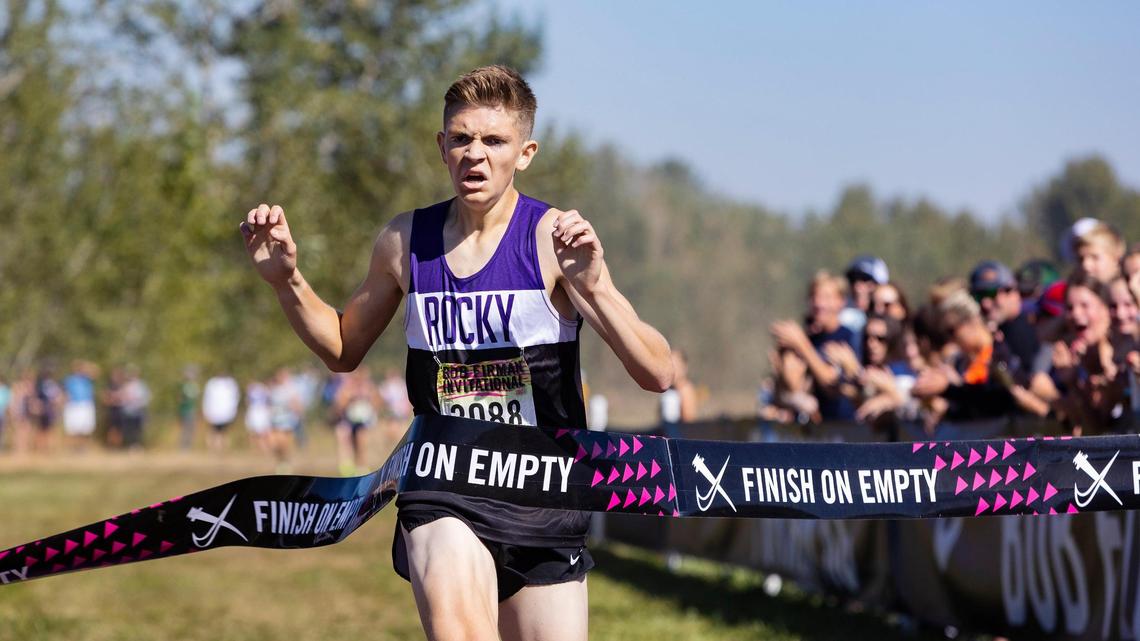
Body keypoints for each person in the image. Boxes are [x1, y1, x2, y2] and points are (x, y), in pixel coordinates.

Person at [240, 65, 672, 641]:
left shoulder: (553, 240)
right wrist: (286, 281)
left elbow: (658, 371)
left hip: (543, 493)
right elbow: (343, 348)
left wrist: (592, 287)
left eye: (494, 141)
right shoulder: (404, 241)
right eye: (462, 139)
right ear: (441, 146)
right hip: (444, 485)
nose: (476, 154)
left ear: (525, 152)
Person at [771, 271, 861, 422]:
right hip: (813, 431)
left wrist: (801, 344)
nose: (819, 304)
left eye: (826, 297)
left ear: (841, 301)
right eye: (814, 297)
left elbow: (831, 384)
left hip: (845, 429)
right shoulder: (811, 338)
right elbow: (786, 390)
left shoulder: (849, 337)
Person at [333, 366, 381, 476]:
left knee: (361, 442)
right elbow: (339, 405)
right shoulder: (347, 388)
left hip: (363, 421)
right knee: (345, 441)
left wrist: (372, 409)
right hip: (348, 420)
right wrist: (350, 399)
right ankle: (347, 468)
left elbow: (377, 401)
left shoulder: (369, 387)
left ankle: (362, 468)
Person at [839, 255, 890, 339]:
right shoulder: (842, 318)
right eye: (853, 280)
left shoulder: (894, 316)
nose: (858, 287)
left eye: (865, 280)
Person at [61, 360, 98, 451]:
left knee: (85, 429)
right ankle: (73, 448)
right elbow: (64, 393)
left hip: (85, 405)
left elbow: (96, 371)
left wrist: (87, 367)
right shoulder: (69, 379)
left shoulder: (87, 379)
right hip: (73, 405)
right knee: (73, 428)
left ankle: (83, 448)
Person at [658, 349, 698, 434]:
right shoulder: (668, 389)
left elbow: (689, 420)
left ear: (684, 367)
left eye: (675, 365)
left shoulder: (685, 390)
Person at [202, 372, 241, 452]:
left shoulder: (228, 384)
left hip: (222, 412)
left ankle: (220, 447)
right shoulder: (213, 384)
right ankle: (215, 447)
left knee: (221, 431)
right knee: (216, 431)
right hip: (216, 412)